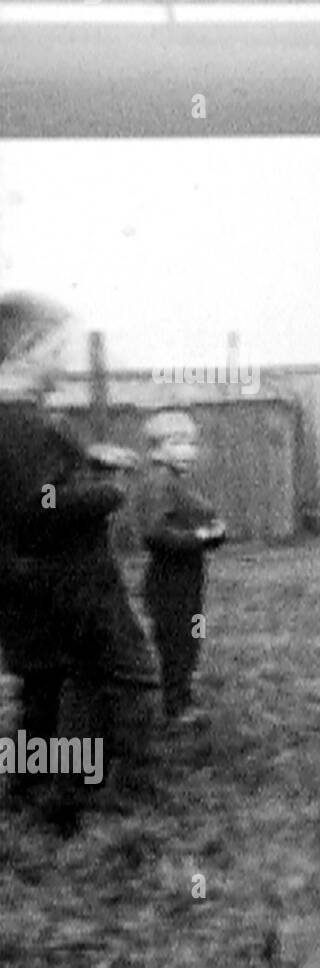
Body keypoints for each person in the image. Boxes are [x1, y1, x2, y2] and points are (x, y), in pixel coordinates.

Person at [0, 291, 160, 820]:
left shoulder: (19, 419)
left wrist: (88, 457)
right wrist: (108, 492)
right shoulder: (22, 424)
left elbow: (35, 480)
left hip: (33, 577)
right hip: (70, 574)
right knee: (122, 674)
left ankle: (49, 793)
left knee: (56, 684)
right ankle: (128, 793)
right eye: (59, 347)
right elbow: (39, 501)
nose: (67, 361)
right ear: (28, 349)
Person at [136, 410, 226, 726]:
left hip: (188, 578)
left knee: (188, 639)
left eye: (191, 442)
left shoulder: (177, 484)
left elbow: (196, 518)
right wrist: (199, 536)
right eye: (177, 442)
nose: (187, 450)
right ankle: (175, 707)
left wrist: (213, 532)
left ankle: (181, 696)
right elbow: (155, 532)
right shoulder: (158, 483)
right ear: (156, 450)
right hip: (168, 582)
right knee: (176, 644)